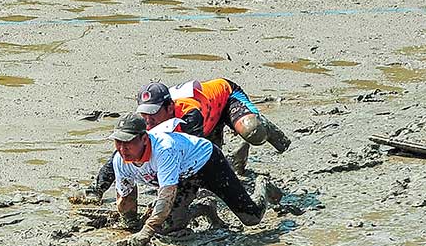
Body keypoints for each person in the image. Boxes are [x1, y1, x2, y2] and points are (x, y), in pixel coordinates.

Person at [71, 79, 290, 204]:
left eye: (154, 114)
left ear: (169, 108)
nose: (149, 121)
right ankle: (238, 161)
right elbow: (122, 154)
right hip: (207, 121)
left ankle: (266, 130)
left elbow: (197, 157)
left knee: (252, 132)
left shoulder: (188, 115)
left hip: (225, 99)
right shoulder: (147, 122)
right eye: (144, 114)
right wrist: (96, 189)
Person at [108, 113, 282, 246]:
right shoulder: (119, 160)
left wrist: (146, 232)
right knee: (170, 227)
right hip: (182, 177)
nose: (123, 149)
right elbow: (125, 197)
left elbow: (166, 196)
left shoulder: (164, 150)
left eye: (128, 143)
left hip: (208, 163)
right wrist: (130, 224)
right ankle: (204, 208)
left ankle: (263, 186)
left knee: (251, 218)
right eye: (118, 142)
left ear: (144, 139)